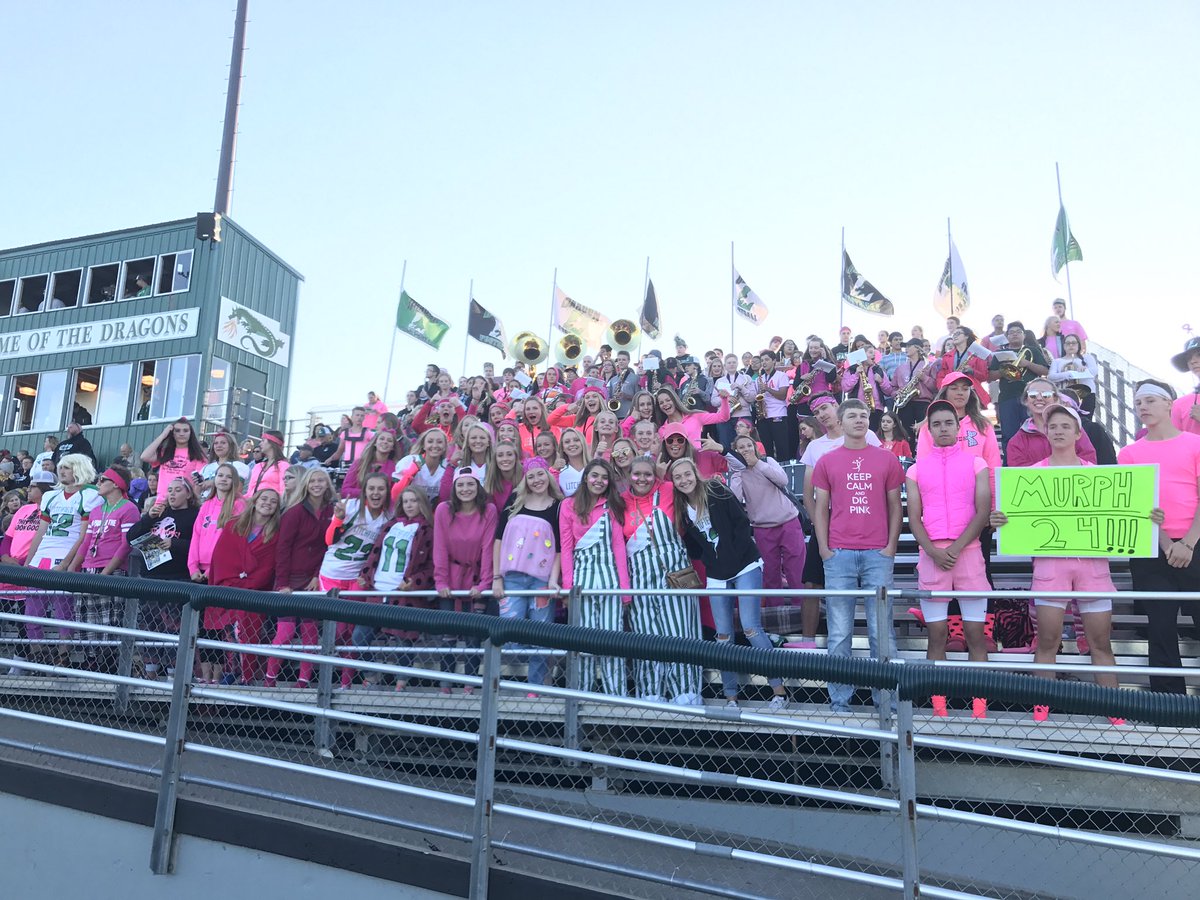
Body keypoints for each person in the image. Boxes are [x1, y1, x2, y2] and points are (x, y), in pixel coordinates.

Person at [991, 404, 1125, 723]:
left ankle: (1116, 712)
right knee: (1048, 642)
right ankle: (1042, 714)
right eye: (1054, 427)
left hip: (1093, 568)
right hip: (1050, 568)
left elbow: (1121, 515)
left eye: (1067, 426)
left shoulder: (1098, 476)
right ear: (1045, 433)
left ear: (1078, 433)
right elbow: (1015, 520)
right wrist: (1001, 519)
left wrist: (1147, 517)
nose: (1060, 431)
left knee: (1100, 643)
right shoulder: (1031, 475)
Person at [671, 457, 787, 710]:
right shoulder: (680, 507)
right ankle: (731, 696)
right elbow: (692, 544)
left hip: (744, 564)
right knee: (723, 637)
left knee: (750, 628)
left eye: (687, 474)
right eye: (677, 477)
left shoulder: (715, 489)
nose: (684, 480)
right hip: (717, 573)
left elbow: (742, 523)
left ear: (695, 472)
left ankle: (779, 690)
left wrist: (730, 556)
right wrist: (709, 558)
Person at [811, 400, 904, 713]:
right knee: (839, 632)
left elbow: (896, 507)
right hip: (839, 554)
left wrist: (891, 546)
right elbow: (819, 508)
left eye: (864, 415)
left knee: (882, 631)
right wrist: (824, 548)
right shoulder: (827, 461)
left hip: (878, 553)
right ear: (840, 421)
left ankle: (887, 701)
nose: (859, 420)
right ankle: (840, 699)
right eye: (852, 416)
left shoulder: (886, 459)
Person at [905, 402, 992, 717]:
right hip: (932, 555)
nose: (943, 428)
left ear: (958, 428)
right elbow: (914, 518)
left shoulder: (976, 463)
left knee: (974, 635)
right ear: (929, 429)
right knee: (937, 634)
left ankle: (979, 706)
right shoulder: (915, 469)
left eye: (948, 423)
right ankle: (938, 707)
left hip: (967, 553)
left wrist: (956, 548)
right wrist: (932, 550)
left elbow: (982, 511)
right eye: (937, 424)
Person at [1117, 380, 1200, 694]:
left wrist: (1188, 543)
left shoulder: (1195, 444)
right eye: (1139, 403)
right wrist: (1168, 544)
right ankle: (1168, 702)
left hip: (1195, 542)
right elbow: (1137, 506)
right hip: (1152, 548)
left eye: (1150, 401)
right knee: (1160, 627)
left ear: (1169, 404)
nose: (1143, 408)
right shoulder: (1129, 453)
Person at [619, 457, 702, 704]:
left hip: (673, 573)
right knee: (646, 634)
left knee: (679, 631)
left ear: (655, 475)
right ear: (629, 475)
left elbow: (694, 487)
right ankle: (651, 691)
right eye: (637, 474)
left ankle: (685, 690)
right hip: (639, 575)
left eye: (647, 474)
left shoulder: (668, 489)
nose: (642, 479)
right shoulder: (619, 501)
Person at [727, 435, 809, 652]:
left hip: (787, 522)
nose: (745, 450)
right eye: (740, 447)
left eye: (748, 446)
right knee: (771, 573)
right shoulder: (738, 472)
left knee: (796, 570)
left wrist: (758, 463)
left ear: (755, 447)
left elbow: (783, 480)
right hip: (763, 528)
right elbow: (735, 499)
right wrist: (736, 472)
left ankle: (802, 612)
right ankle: (777, 617)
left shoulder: (768, 461)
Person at [22, 455, 103, 665]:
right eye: (61, 467)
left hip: (66, 555)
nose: (63, 471)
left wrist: (68, 563)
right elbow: (41, 531)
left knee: (63, 612)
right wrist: (28, 562)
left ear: (79, 468)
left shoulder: (90, 494)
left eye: (67, 467)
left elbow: (84, 535)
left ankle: (63, 654)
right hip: (42, 557)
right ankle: (38, 655)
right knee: (32, 614)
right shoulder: (50, 496)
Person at [559, 459, 630, 695]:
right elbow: (566, 548)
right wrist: (568, 587)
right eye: (594, 476)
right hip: (583, 582)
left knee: (612, 641)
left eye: (604, 477)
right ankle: (582, 696)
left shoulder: (611, 505)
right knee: (584, 643)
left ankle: (616, 698)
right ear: (586, 477)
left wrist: (625, 590)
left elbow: (618, 547)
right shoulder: (568, 506)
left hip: (610, 582)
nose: (599, 481)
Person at [355, 486, 436, 691]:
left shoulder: (427, 529)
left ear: (422, 503)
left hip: (402, 591)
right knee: (359, 636)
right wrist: (366, 574)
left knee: (402, 638)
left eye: (414, 500)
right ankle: (371, 675)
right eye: (406, 501)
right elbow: (375, 553)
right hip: (378, 589)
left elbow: (430, 566)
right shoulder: (391, 525)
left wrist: (415, 582)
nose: (409, 505)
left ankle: (402, 680)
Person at [493, 458, 563, 691]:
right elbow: (498, 539)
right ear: (525, 480)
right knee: (510, 633)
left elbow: (560, 549)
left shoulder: (558, 505)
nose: (536, 480)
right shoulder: (515, 501)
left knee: (541, 635)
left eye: (540, 474)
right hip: (512, 576)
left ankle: (536, 686)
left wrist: (553, 579)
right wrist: (497, 577)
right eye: (531, 476)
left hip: (541, 579)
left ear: (548, 476)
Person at [263, 468, 336, 688]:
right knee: (285, 633)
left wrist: (316, 576)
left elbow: (329, 546)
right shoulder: (294, 512)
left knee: (310, 631)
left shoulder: (331, 511)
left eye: (321, 480)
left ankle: (303, 680)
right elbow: (283, 548)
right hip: (289, 579)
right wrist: (283, 583)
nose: (316, 484)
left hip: (312, 579)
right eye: (312, 480)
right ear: (306, 484)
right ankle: (269, 678)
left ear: (327, 484)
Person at [322, 473, 393, 688]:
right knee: (338, 631)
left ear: (387, 492)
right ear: (364, 491)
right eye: (371, 488)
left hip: (357, 577)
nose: (375, 493)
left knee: (350, 632)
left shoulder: (388, 517)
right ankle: (331, 679)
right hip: (333, 573)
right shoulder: (350, 507)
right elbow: (329, 539)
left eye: (380, 488)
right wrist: (338, 519)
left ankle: (346, 682)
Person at [66, 466, 140, 671]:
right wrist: (73, 567)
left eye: (102, 479)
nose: (98, 483)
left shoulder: (129, 508)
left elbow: (126, 545)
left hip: (112, 571)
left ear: (116, 484)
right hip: (89, 569)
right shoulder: (97, 510)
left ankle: (108, 665)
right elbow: (86, 541)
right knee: (87, 620)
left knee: (110, 621)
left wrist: (106, 573)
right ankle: (92, 660)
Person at [126, 476, 200, 679]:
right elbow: (131, 538)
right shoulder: (159, 513)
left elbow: (200, 544)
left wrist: (174, 544)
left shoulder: (195, 514)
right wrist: (148, 517)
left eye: (177, 490)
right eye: (170, 490)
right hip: (151, 576)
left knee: (173, 628)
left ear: (188, 493)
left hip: (177, 577)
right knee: (149, 624)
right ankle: (150, 669)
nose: (173, 494)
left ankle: (173, 672)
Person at [433, 467, 497, 694]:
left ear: (477, 487)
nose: (465, 489)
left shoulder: (488, 510)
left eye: (470, 484)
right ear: (454, 488)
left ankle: (470, 682)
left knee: (473, 634)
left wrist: (484, 584)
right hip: (451, 575)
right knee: (448, 632)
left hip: (477, 573)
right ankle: (445, 683)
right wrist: (441, 582)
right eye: (460, 485)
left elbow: (488, 548)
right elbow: (439, 546)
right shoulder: (443, 510)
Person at [208, 489, 282, 685]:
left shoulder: (275, 533)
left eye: (273, 501)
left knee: (248, 630)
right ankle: (232, 671)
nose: (268, 503)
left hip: (254, 592)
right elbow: (221, 557)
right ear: (255, 501)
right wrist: (234, 581)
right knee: (230, 632)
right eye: (264, 499)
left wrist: (248, 583)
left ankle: (246, 675)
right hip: (229, 586)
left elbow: (269, 567)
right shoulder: (234, 525)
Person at [188, 463, 246, 684]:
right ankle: (205, 675)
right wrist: (193, 567)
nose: (223, 480)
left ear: (235, 481)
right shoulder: (206, 505)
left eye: (228, 477)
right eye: (219, 475)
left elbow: (234, 544)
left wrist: (214, 570)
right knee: (204, 627)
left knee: (221, 626)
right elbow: (196, 538)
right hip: (199, 573)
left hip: (222, 573)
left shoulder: (239, 506)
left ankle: (222, 674)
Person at [1005, 377, 1097, 467]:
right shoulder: (1016, 442)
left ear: (1056, 399)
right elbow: (1019, 477)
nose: (1039, 398)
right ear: (1026, 400)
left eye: (1046, 395)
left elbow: (1088, 460)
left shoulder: (1073, 429)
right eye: (1033, 394)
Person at [990, 321, 1051, 446]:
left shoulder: (1032, 350)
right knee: (1008, 434)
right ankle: (1009, 464)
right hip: (1007, 398)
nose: (1015, 334)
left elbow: (1045, 371)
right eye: (1011, 333)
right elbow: (989, 376)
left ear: (1024, 335)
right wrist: (1004, 370)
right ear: (1007, 337)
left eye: (1018, 332)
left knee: (1032, 432)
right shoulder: (1000, 353)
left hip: (1030, 398)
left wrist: (1027, 364)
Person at [140, 418, 207, 503]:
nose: (181, 434)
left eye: (185, 430)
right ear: (172, 433)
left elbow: (199, 483)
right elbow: (144, 456)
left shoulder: (198, 455)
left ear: (191, 433)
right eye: (177, 430)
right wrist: (163, 435)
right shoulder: (165, 452)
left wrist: (193, 502)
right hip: (162, 502)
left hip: (185, 503)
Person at [392, 429, 449, 507]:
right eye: (430, 441)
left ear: (445, 446)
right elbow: (395, 495)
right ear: (423, 445)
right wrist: (409, 474)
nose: (435, 445)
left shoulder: (449, 466)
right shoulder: (409, 461)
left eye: (439, 442)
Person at [892, 339, 938, 432]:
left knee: (924, 431)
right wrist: (896, 393)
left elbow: (935, 387)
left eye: (909, 346)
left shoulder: (928, 365)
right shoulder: (900, 368)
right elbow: (893, 387)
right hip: (904, 404)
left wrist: (924, 378)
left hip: (923, 403)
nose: (906, 349)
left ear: (917, 348)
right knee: (906, 433)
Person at [342, 428, 403, 499]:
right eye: (382, 439)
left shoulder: (396, 467)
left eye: (389, 440)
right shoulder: (359, 463)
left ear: (393, 447)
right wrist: (367, 493)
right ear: (375, 443)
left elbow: (396, 493)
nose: (385, 442)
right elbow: (345, 491)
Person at [755, 351, 793, 461]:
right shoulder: (759, 378)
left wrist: (767, 388)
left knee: (782, 448)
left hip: (778, 414)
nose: (764, 362)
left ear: (774, 361)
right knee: (767, 450)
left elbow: (782, 396)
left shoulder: (781, 376)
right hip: (764, 416)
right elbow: (757, 397)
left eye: (767, 360)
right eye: (762, 360)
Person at [1048, 334, 1099, 405]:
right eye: (1068, 343)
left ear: (1078, 345)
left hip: (1086, 395)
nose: (1071, 345)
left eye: (1074, 343)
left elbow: (1094, 371)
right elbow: (1051, 377)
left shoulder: (1087, 357)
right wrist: (1069, 374)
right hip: (1064, 396)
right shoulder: (1057, 361)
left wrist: (1085, 370)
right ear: (1064, 346)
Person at [197, 432, 249, 497]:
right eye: (216, 443)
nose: (219, 445)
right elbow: (197, 492)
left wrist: (213, 483)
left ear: (231, 446)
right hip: (204, 504)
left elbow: (237, 490)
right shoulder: (206, 467)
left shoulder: (239, 466)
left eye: (223, 443)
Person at [1169, 336, 1200, 437]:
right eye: (1188, 358)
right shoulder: (1178, 405)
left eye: (1199, 355)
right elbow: (1174, 444)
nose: (1193, 361)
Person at [244, 430, 290, 496]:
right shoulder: (258, 466)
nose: (260, 444)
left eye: (263, 440)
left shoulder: (283, 466)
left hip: (270, 504)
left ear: (272, 442)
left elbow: (283, 492)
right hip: (253, 503)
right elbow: (249, 492)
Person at [557, 427, 590, 497]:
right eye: (567, 442)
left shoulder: (592, 468)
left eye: (576, 440)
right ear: (563, 448)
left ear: (582, 443)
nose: (572, 444)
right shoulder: (559, 472)